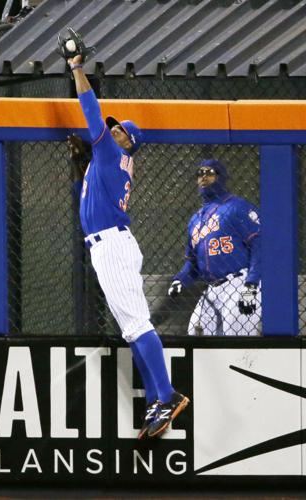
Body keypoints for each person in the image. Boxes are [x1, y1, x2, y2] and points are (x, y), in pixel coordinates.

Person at [66, 52, 189, 439]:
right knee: (132, 329)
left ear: (128, 143)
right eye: (113, 129)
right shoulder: (106, 161)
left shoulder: (111, 152)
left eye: (119, 131)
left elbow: (89, 107)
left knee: (137, 325)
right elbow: (87, 198)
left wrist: (76, 68)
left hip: (113, 247)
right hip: (110, 245)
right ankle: (157, 398)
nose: (112, 130)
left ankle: (167, 395)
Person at [168, 159, 261, 336]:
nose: (204, 177)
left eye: (210, 172)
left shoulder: (237, 207)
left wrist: (251, 285)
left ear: (221, 177)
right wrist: (181, 279)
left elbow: (260, 246)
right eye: (200, 173)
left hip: (240, 283)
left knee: (236, 339)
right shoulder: (195, 220)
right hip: (212, 288)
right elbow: (193, 263)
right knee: (195, 333)